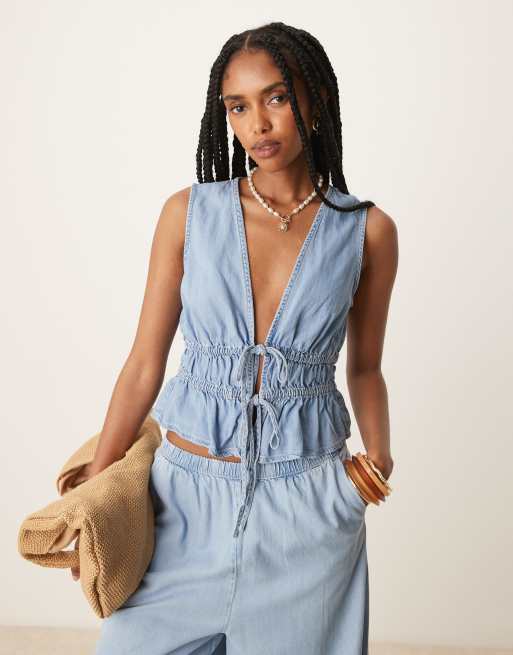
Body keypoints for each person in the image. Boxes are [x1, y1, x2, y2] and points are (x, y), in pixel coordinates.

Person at [86, 20, 397, 655]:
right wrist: (93, 494)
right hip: (182, 505)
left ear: (316, 99)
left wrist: (378, 461)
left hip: (309, 511)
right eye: (237, 106)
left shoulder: (368, 231)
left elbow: (365, 367)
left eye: (277, 97)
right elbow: (144, 362)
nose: (258, 124)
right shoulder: (187, 214)